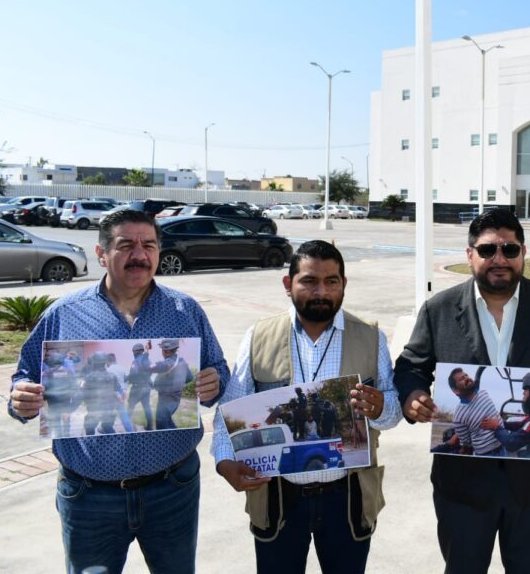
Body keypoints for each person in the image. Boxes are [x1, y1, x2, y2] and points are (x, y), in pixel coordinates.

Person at [8, 208, 229, 574]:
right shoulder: (64, 314)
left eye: (149, 245)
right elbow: (25, 376)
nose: (139, 255)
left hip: (173, 489)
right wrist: (21, 398)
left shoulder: (185, 310)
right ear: (101, 253)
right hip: (89, 497)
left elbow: (218, 370)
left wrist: (214, 381)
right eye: (126, 245)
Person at [394, 208, 530, 574]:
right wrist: (412, 397)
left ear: (524, 252)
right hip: (462, 488)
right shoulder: (438, 310)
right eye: (488, 250)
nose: (500, 259)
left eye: (510, 249)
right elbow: (411, 366)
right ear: (469, 254)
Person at [211, 239, 400, 574]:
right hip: (278, 496)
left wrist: (381, 407)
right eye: (309, 281)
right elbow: (231, 407)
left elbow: (393, 412)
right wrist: (225, 461)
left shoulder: (371, 337)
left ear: (344, 284)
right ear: (288, 284)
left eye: (331, 281)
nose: (321, 292)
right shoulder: (259, 335)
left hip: (347, 497)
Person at [441, 367, 504, 456]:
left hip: (502, 447)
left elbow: (494, 414)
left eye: (466, 375)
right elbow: (466, 443)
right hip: (485, 454)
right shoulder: (458, 417)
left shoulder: (483, 393)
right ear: (456, 390)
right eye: (462, 379)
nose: (466, 378)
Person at [149, 338, 194, 430]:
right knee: (167, 420)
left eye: (162, 349)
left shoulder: (170, 362)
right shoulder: (181, 361)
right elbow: (190, 377)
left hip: (166, 398)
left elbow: (159, 366)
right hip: (175, 397)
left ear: (166, 351)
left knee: (161, 423)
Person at [80, 352, 120, 435]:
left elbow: (83, 392)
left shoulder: (89, 377)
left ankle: (91, 443)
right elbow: (117, 389)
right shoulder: (112, 376)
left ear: (94, 362)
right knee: (108, 428)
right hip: (109, 409)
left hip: (95, 409)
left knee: (89, 428)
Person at [126, 342, 155, 430]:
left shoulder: (136, 361)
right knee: (147, 407)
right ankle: (150, 426)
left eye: (134, 351)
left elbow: (133, 373)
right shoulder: (148, 360)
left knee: (130, 406)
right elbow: (151, 371)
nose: (133, 353)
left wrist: (128, 378)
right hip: (147, 387)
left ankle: (127, 426)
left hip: (137, 388)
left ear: (137, 351)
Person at [106, 352, 135, 432]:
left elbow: (111, 385)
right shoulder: (122, 368)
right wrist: (125, 390)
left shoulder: (108, 370)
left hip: (113, 394)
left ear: (108, 361)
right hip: (122, 392)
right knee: (122, 413)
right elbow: (126, 380)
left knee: (110, 414)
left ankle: (107, 430)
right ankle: (131, 431)